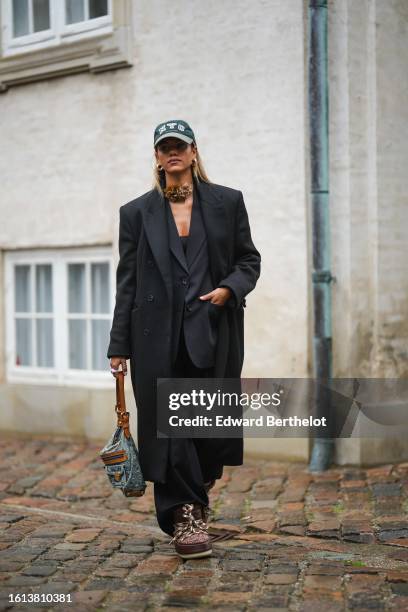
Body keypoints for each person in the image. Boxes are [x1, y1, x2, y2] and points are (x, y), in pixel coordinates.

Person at [107, 119, 261, 559]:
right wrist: (119, 345)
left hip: (213, 332)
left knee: (206, 434)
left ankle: (198, 487)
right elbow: (128, 284)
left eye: (180, 145)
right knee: (169, 429)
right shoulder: (136, 213)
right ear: (157, 157)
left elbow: (249, 260)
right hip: (155, 338)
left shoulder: (227, 203)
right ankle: (186, 516)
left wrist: (230, 287)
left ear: (194, 152)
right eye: (164, 147)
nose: (172, 152)